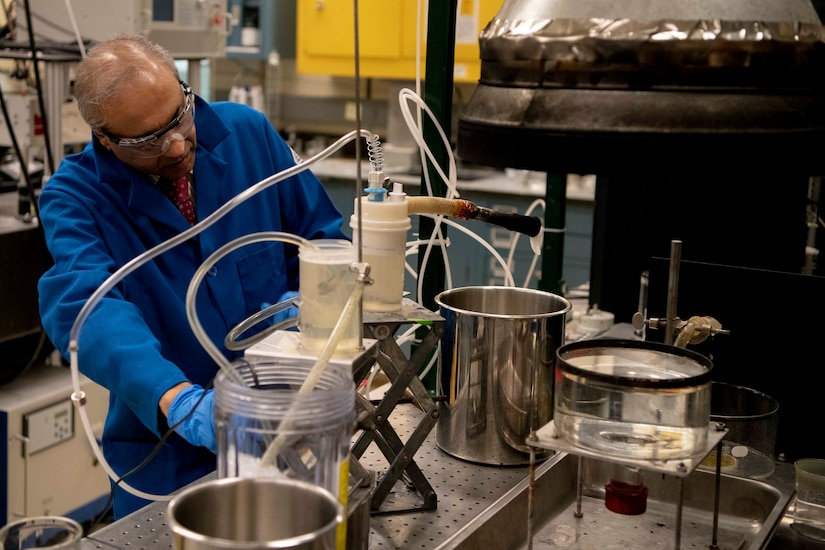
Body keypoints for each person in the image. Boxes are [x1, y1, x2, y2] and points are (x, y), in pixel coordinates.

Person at [37, 34, 348, 519]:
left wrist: (312, 302)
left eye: (179, 117)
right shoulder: (76, 198)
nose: (179, 145)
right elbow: (85, 305)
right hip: (168, 455)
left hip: (286, 425)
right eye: (149, 141)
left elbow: (324, 239)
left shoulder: (248, 135)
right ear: (105, 139)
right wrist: (179, 401)